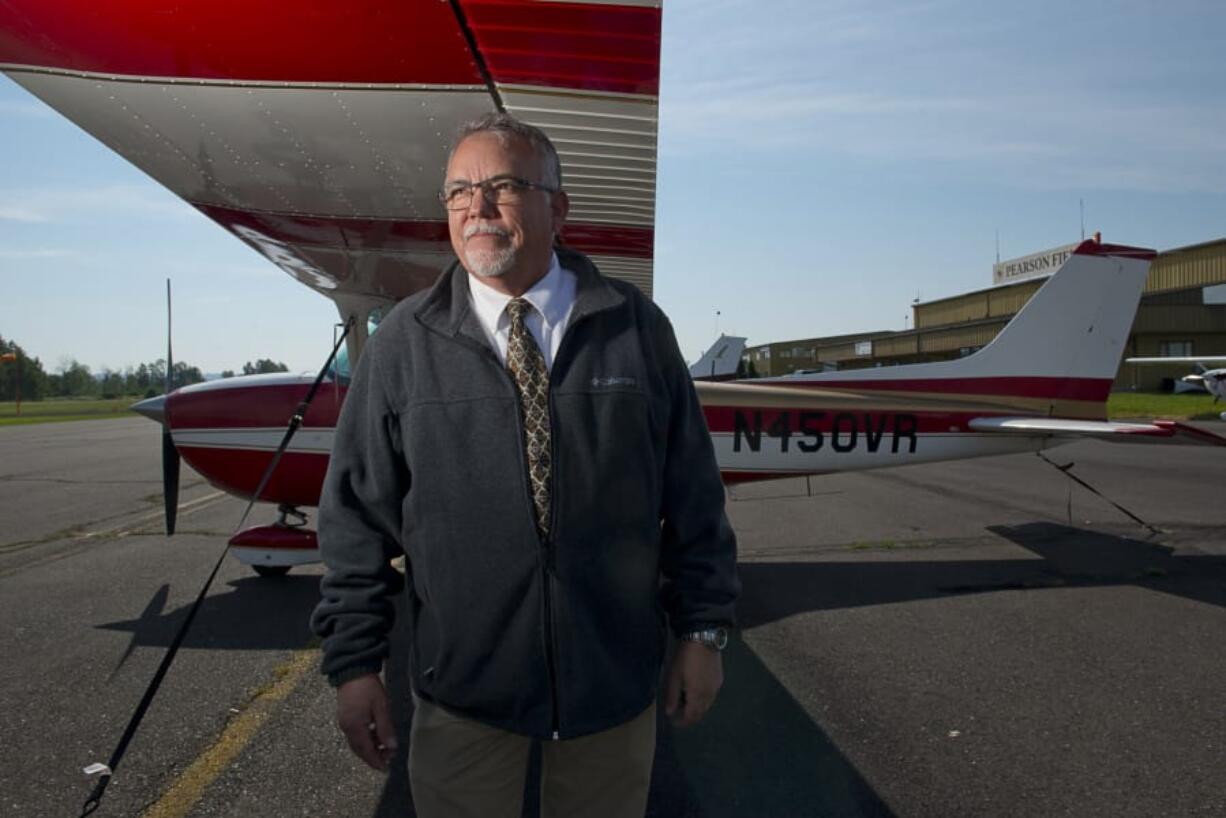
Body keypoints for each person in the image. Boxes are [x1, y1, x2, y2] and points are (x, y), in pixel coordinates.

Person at [310, 112, 739, 818]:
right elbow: (354, 520)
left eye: (503, 186)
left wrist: (702, 631)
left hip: (612, 689)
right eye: (458, 192)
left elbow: (695, 499)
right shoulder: (402, 346)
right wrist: (355, 666)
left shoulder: (636, 327)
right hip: (462, 699)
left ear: (558, 208)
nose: (476, 208)